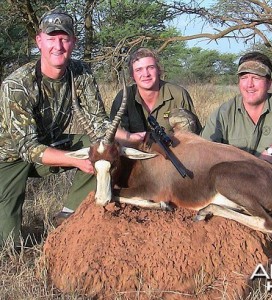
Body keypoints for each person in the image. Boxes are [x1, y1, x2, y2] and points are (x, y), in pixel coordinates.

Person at [0, 7, 142, 247]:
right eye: (51, 39)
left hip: (51, 144)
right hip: (11, 158)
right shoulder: (16, 84)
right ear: (39, 41)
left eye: (64, 39)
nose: (58, 46)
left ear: (73, 42)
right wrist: (75, 160)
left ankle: (70, 216)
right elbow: (27, 148)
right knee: (8, 244)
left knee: (98, 147)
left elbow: (97, 120)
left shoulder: (81, 73)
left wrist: (128, 138)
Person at [201, 51, 272, 211]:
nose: (249, 84)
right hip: (238, 185)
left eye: (257, 78)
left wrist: (271, 151)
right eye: (244, 78)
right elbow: (204, 148)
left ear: (269, 83)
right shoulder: (224, 112)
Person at [110, 47, 202, 136]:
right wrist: (134, 140)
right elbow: (116, 134)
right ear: (132, 75)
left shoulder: (178, 94)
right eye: (139, 70)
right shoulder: (124, 96)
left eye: (150, 67)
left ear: (158, 70)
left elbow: (195, 136)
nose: (146, 74)